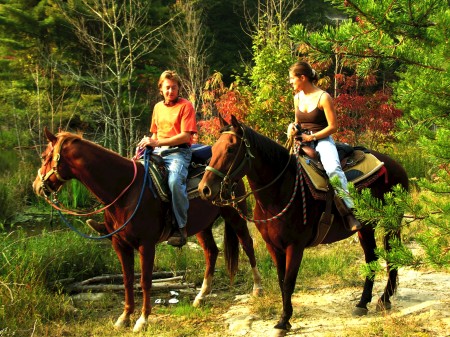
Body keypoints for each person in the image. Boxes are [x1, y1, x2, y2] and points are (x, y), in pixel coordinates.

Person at [288, 61, 361, 231]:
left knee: (333, 169)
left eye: (292, 79)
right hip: (301, 141)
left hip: (322, 140)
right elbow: (298, 122)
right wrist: (293, 127)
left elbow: (333, 126)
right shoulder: (297, 97)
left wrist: (311, 136)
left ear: (303, 77)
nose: (291, 82)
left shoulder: (323, 97)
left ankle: (350, 211)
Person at [138, 70, 198, 246]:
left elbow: (186, 136)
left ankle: (180, 227)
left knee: (174, 182)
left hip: (179, 152)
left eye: (174, 88)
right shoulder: (157, 107)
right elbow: (155, 133)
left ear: (178, 89)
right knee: (134, 172)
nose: (170, 91)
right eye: (167, 88)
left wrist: (157, 142)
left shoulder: (186, 106)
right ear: (161, 89)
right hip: (158, 151)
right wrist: (148, 142)